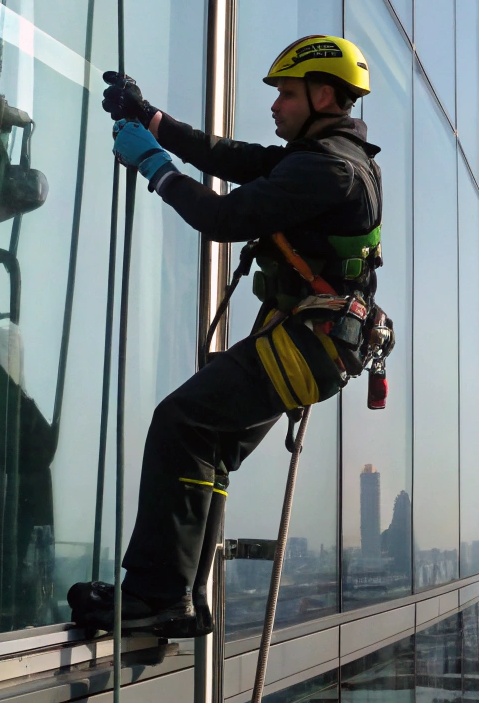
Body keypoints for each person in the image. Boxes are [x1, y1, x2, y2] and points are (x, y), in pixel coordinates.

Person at [68, 35, 383, 637]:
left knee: (182, 422)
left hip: (309, 341)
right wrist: (152, 118)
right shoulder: (325, 155)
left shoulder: (328, 169)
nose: (275, 106)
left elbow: (224, 220)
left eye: (286, 95)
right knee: (207, 443)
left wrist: (154, 166)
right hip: (317, 340)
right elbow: (234, 158)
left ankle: (159, 594)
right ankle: (180, 593)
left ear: (323, 95)